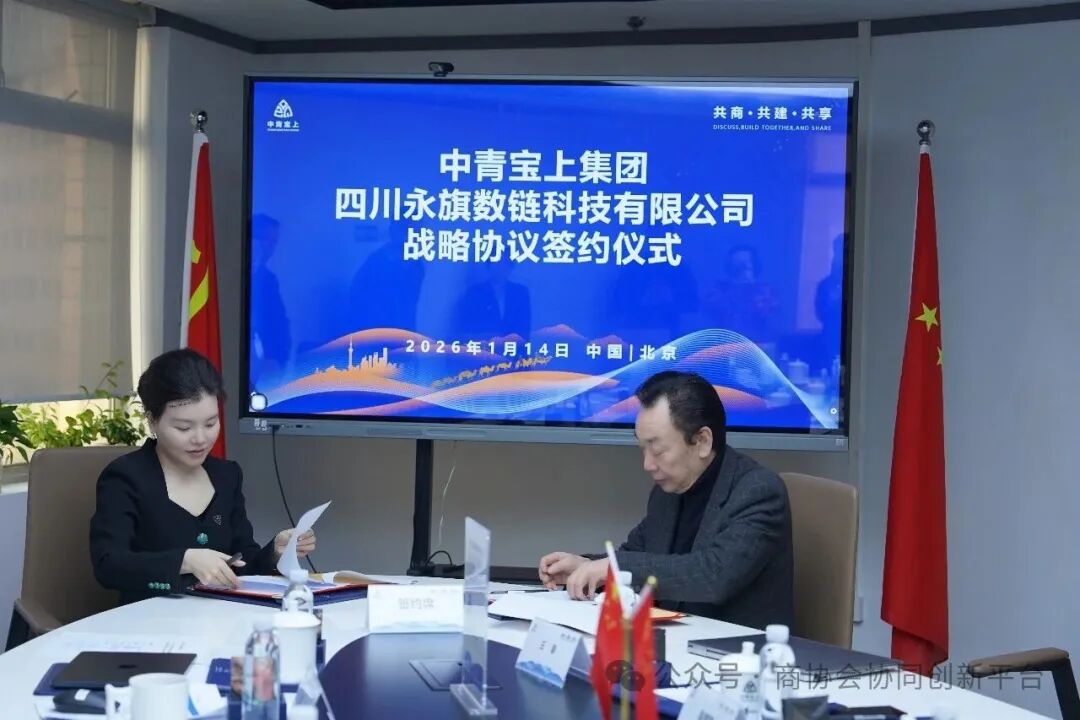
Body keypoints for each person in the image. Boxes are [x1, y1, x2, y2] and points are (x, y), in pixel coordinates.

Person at [538, 371, 794, 629]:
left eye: (657, 450)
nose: (647, 464)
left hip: (736, 647)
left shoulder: (758, 491)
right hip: (674, 638)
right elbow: (637, 554)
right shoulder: (666, 492)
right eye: (643, 449)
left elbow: (713, 575)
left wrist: (612, 568)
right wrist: (587, 566)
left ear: (702, 441)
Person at [90, 349, 315, 603]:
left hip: (219, 617)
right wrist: (185, 560)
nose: (200, 439)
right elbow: (109, 565)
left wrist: (275, 552)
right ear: (152, 421)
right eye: (184, 428)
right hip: (150, 620)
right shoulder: (125, 477)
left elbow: (243, 562)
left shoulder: (226, 476)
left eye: (210, 424)